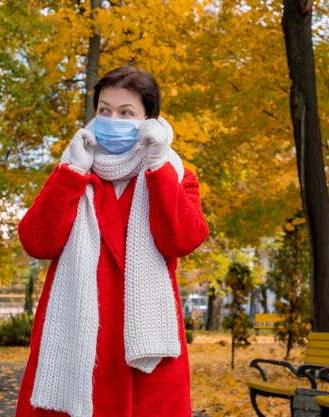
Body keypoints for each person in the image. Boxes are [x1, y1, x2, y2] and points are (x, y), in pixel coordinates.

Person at [15, 66, 209, 417]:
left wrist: (157, 167)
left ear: (149, 119)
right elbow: (36, 242)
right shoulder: (74, 169)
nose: (112, 119)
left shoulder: (173, 173)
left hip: (146, 345)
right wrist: (72, 174)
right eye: (104, 110)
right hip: (74, 343)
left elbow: (183, 238)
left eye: (126, 113)